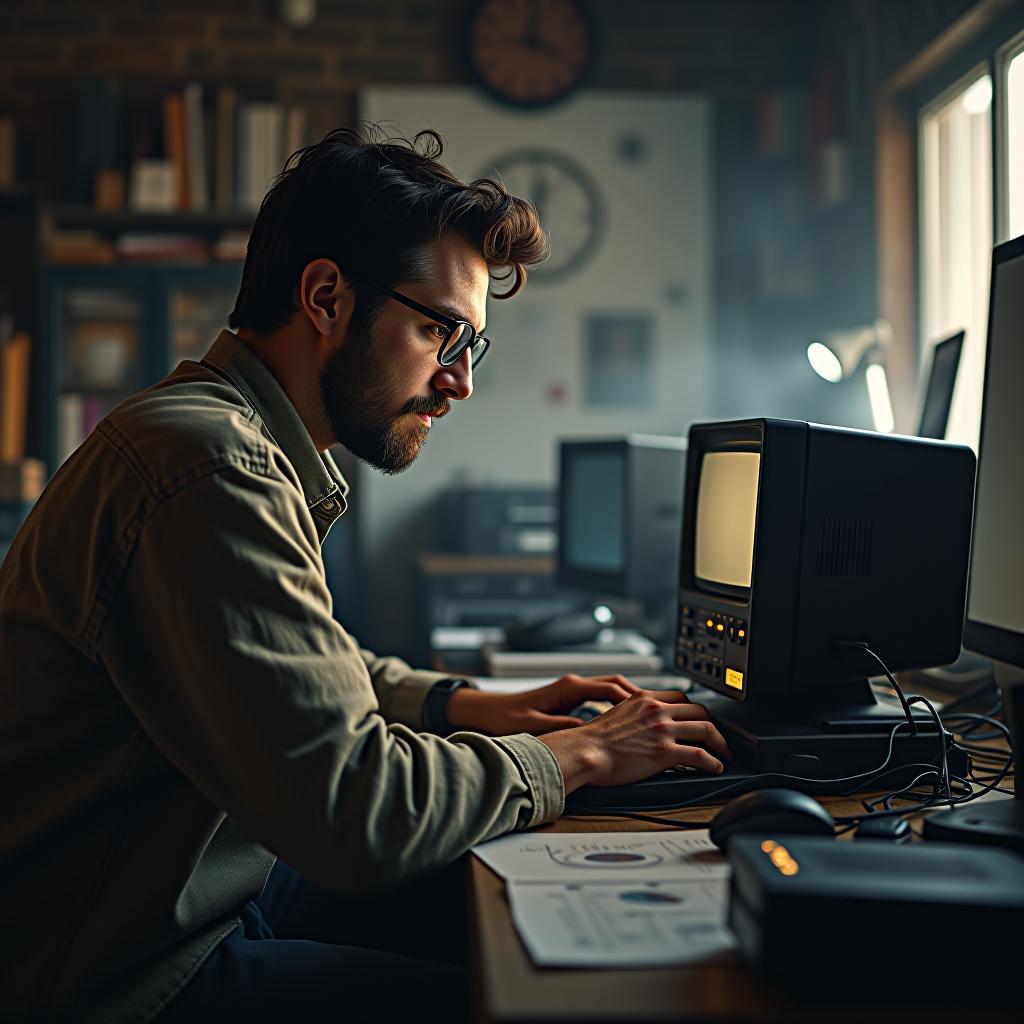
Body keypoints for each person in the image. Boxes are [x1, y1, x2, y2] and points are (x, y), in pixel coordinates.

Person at [0, 126, 730, 1024]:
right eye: (439, 331)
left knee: (509, 898)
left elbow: (301, 665)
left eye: (472, 345)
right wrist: (578, 752)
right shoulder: (212, 466)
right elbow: (359, 816)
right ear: (325, 297)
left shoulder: (230, 438)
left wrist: (463, 703)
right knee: (547, 998)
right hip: (119, 968)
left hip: (199, 882)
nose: (459, 381)